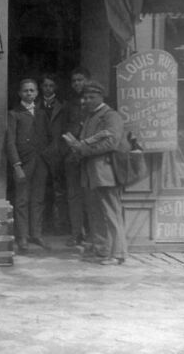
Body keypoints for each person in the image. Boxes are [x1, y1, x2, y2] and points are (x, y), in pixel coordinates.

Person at [67, 80, 128, 265]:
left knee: (110, 213)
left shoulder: (110, 116)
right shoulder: (91, 116)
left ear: (101, 97)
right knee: (96, 213)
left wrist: (83, 149)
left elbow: (112, 142)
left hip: (106, 172)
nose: (87, 100)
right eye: (85, 97)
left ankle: (117, 254)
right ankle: (103, 251)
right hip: (92, 173)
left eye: (91, 97)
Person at [6, 79, 52, 253]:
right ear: (19, 93)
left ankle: (36, 233)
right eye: (25, 91)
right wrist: (16, 165)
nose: (29, 94)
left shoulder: (41, 114)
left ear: (37, 93)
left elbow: (48, 137)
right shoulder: (14, 114)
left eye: (32, 91)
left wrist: (47, 158)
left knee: (38, 199)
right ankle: (22, 236)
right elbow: (10, 142)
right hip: (23, 163)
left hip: (40, 162)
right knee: (22, 200)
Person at [62, 66, 97, 249]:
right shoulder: (69, 104)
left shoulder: (95, 103)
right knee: (74, 196)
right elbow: (65, 127)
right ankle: (77, 233)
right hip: (73, 154)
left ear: (88, 81)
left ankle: (93, 233)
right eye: (74, 81)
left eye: (80, 80)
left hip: (90, 155)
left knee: (91, 195)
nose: (77, 84)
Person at [39, 73, 68, 235]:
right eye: (45, 86)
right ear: (41, 87)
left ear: (55, 87)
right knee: (43, 191)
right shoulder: (36, 105)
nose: (48, 89)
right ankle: (45, 225)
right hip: (41, 154)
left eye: (51, 86)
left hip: (57, 153)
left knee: (59, 192)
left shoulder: (63, 106)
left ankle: (61, 226)